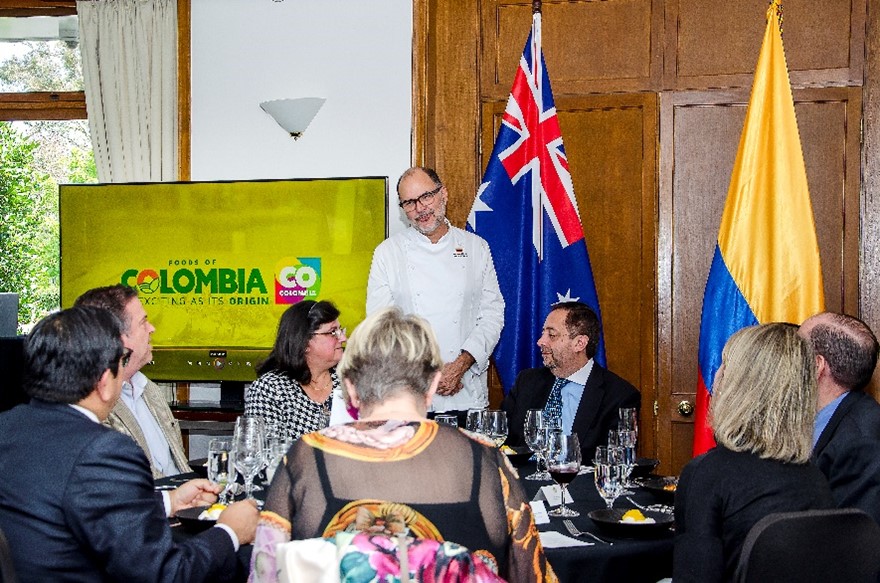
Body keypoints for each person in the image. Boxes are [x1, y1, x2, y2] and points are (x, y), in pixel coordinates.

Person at [248, 308, 556, 582]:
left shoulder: (305, 456)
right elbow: (531, 573)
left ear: (351, 389)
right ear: (433, 385)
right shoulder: (487, 458)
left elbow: (265, 572)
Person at [0, 305, 259, 581]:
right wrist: (230, 531)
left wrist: (168, 501)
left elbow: (71, 506)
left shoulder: (8, 426)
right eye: (121, 364)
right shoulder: (104, 451)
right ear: (103, 381)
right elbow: (167, 574)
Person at [673, 323, 834, 583]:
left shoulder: (708, 473)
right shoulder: (815, 478)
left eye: (725, 365)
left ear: (739, 387)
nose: (716, 374)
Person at [366, 166, 504, 423]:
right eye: (409, 202)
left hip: (467, 393)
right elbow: (380, 327)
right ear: (403, 209)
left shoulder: (476, 248)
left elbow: (492, 315)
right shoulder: (388, 253)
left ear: (444, 194)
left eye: (426, 196)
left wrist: (461, 366)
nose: (420, 208)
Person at [75, 284, 189, 478]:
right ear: (118, 339)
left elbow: (180, 467)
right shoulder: (91, 404)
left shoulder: (150, 390)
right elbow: (122, 480)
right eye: (143, 322)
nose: (152, 328)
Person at [502, 301, 640, 462]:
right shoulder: (526, 382)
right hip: (524, 482)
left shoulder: (619, 396)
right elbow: (501, 438)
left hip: (580, 484)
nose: (541, 341)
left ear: (579, 343)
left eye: (551, 335)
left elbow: (617, 460)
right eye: (543, 333)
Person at [799, 312, 880, 523]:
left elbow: (855, 539)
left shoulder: (862, 442)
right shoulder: (833, 417)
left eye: (796, 350)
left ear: (817, 365)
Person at [244, 300, 346, 441]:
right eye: (333, 332)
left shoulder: (349, 381)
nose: (343, 338)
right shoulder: (271, 389)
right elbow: (264, 453)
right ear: (304, 342)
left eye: (341, 330)